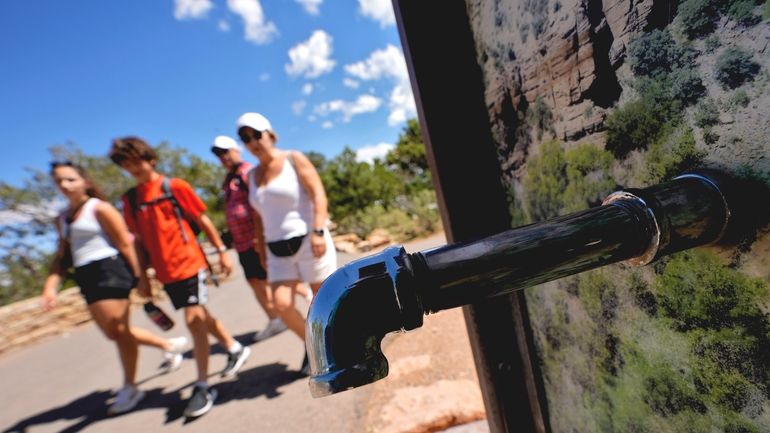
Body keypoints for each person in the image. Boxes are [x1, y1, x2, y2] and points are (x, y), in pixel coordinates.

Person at [108, 137, 250, 418]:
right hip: (164, 273)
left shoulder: (174, 187)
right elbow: (137, 241)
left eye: (137, 160)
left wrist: (221, 251)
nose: (133, 167)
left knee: (193, 319)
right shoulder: (131, 200)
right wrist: (142, 276)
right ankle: (235, 348)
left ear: (150, 158)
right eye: (126, 163)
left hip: (190, 263)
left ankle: (202, 385)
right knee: (199, 314)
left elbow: (202, 220)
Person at [41, 161, 188, 416]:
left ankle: (130, 387)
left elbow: (125, 243)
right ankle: (168, 346)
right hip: (85, 275)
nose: (64, 185)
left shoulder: (100, 209)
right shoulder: (61, 218)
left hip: (110, 269)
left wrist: (140, 277)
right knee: (115, 332)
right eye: (59, 181)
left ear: (84, 181)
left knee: (118, 332)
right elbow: (62, 255)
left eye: (70, 179)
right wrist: (51, 285)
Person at [236, 112, 337, 376]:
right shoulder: (252, 176)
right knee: (281, 305)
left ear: (270, 134)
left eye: (256, 135)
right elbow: (258, 214)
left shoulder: (293, 159)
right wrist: (259, 245)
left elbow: (318, 194)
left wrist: (317, 230)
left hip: (307, 240)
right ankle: (315, 344)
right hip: (276, 249)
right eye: (246, 138)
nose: (253, 142)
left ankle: (339, 345)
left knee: (323, 299)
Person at [210, 135, 287, 342]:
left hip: (256, 239)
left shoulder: (247, 173)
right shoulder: (229, 180)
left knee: (273, 280)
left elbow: (260, 204)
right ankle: (275, 319)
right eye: (219, 155)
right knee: (255, 281)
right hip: (242, 242)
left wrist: (260, 237)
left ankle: (292, 314)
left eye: (226, 152)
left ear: (236, 150)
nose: (223, 157)